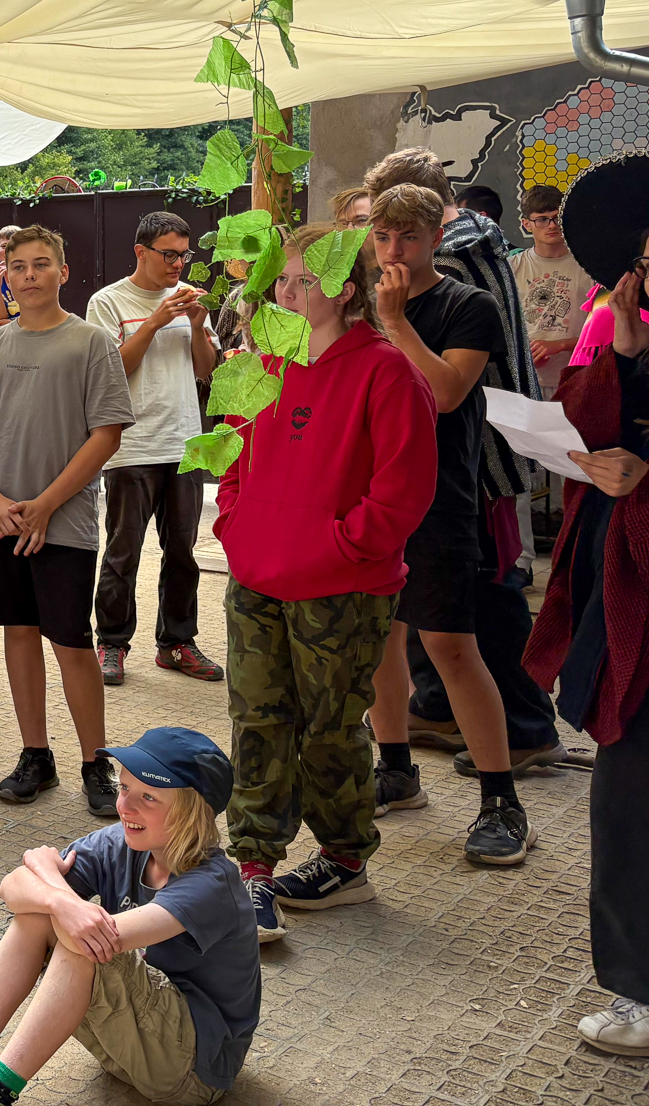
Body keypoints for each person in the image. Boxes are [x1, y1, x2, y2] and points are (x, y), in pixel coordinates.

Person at [214, 223, 436, 940]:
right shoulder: (262, 364)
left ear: (346, 290)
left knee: (329, 729)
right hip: (257, 575)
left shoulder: (386, 371)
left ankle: (344, 860)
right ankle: (253, 867)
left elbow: (403, 491)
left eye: (305, 280)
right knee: (256, 719)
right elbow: (232, 457)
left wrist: (341, 546)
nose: (287, 292)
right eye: (281, 280)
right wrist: (235, 524)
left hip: (342, 587)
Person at [0, 729, 258, 1106]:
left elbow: (100, 935)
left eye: (148, 797)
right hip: (128, 1047)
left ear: (192, 812)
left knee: (81, 941)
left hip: (193, 1072)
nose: (125, 807)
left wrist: (49, 881)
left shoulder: (213, 883)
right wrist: (58, 898)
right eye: (124, 788)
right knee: (43, 914)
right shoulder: (124, 841)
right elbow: (12, 887)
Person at [520, 186, 649, 1058]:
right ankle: (646, 986)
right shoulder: (646, 348)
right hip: (635, 608)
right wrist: (626, 353)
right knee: (631, 800)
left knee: (637, 803)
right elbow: (582, 424)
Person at [365, 150, 560, 763]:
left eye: (403, 228)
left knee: (478, 604)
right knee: (414, 619)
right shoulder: (474, 246)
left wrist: (393, 321)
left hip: (476, 458)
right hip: (438, 460)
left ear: (433, 220)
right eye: (379, 230)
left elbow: (448, 389)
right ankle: (437, 710)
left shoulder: (458, 265)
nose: (390, 247)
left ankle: (524, 731)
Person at [0, 226, 132, 817]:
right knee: (19, 632)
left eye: (42, 264)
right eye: (19, 266)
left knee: (71, 641)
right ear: (5, 274)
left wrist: (48, 503)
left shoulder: (92, 343)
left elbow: (106, 434)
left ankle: (96, 761)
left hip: (63, 523)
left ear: (63, 272)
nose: (29, 275)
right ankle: (36, 754)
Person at [84, 212, 221, 686]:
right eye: (169, 254)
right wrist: (156, 322)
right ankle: (111, 644)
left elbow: (206, 371)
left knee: (183, 552)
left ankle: (177, 644)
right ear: (140, 252)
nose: (179, 264)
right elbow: (110, 371)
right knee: (123, 553)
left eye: (184, 254)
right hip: (132, 444)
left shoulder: (189, 300)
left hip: (185, 444)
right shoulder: (107, 302)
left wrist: (198, 326)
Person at [510, 184, 592, 396]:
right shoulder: (512, 267)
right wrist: (522, 353)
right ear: (526, 224)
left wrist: (561, 344)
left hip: (578, 378)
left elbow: (604, 335)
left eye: (557, 218)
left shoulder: (589, 268)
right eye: (542, 219)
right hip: (526, 382)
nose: (552, 225)